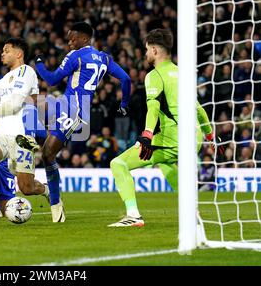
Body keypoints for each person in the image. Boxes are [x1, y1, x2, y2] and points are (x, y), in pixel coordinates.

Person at [108, 28, 224, 227]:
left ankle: (133, 215)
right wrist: (210, 136)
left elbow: (153, 108)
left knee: (118, 164)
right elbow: (199, 110)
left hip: (175, 136)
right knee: (165, 163)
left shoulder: (155, 76)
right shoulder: (182, 73)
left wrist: (146, 135)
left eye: (146, 50)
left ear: (154, 50)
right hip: (193, 136)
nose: (145, 54)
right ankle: (191, 211)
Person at [18, 22, 131, 222]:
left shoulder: (76, 56)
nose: (69, 43)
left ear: (85, 39)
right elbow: (126, 80)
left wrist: (39, 62)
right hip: (70, 106)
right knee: (31, 104)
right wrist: (124, 103)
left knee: (47, 153)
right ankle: (34, 137)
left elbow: (52, 80)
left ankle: (55, 203)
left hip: (73, 109)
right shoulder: (105, 58)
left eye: (73, 39)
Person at [0, 38, 49, 223]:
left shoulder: (27, 72)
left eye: (6, 50)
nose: (2, 54)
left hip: (22, 136)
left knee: (26, 187)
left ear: (18, 54)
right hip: (0, 132)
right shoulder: (7, 78)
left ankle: (46, 190)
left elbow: (13, 106)